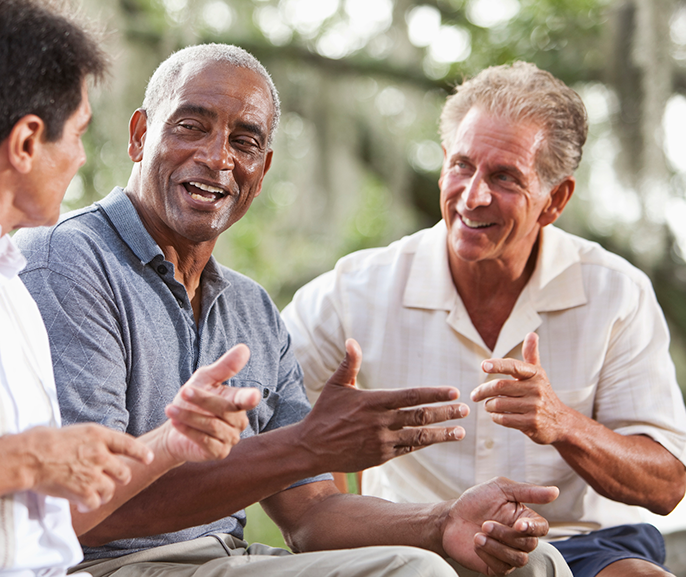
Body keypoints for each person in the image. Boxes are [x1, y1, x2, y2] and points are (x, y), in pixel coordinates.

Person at [15, 44, 570, 577]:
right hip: (110, 565)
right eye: (191, 126)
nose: (218, 157)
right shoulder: (68, 261)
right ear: (140, 135)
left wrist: (443, 521)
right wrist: (307, 445)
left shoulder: (252, 307)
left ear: (264, 167)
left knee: (533, 563)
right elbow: (88, 508)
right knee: (412, 572)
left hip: (232, 557)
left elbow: (310, 515)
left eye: (245, 141)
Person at [0, 2, 258, 576]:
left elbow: (56, 516)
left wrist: (171, 442)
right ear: (26, 141)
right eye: (76, 134)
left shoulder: (0, 277)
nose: (79, 158)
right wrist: (27, 459)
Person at [282, 62, 686, 577]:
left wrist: (563, 424)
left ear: (555, 200)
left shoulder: (616, 291)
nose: (472, 196)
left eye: (504, 177)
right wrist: (324, 510)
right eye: (461, 166)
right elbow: (264, 408)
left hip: (578, 544)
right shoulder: (355, 287)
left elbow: (666, 484)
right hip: (415, 542)